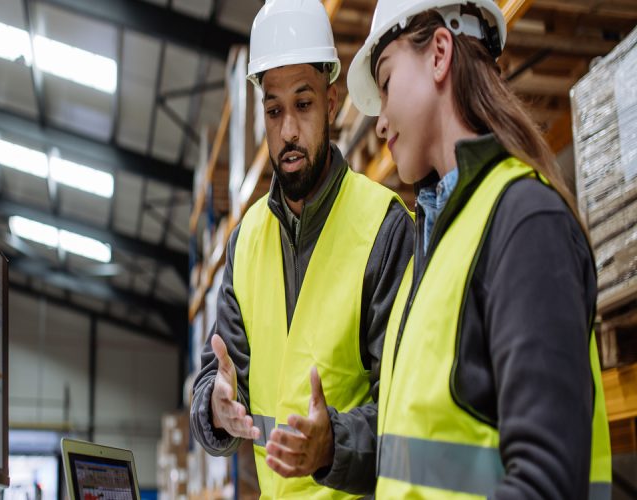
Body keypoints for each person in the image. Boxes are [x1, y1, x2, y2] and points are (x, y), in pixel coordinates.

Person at [345, 0, 612, 497]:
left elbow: (546, 481)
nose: (379, 124)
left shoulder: (526, 224)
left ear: (439, 53)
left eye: (385, 83)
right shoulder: (435, 245)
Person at [189, 0, 414, 497]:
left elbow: (410, 411)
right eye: (274, 110)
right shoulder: (245, 243)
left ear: (332, 101)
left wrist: (334, 444)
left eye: (303, 104)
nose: (288, 130)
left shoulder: (384, 226)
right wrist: (215, 407)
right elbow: (215, 379)